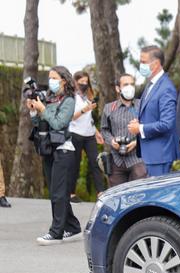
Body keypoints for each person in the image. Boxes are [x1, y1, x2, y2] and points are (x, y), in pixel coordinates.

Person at [27, 66, 81, 245]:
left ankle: (56, 232)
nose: (51, 81)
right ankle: (72, 227)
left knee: (58, 193)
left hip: (64, 150)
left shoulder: (69, 100)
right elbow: (39, 123)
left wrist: (43, 110)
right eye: (50, 77)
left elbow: (58, 123)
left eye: (54, 77)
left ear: (64, 80)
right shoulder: (49, 98)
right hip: (49, 149)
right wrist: (34, 110)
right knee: (58, 193)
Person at [127, 45, 179, 177]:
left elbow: (167, 123)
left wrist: (141, 128)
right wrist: (139, 122)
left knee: (159, 196)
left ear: (155, 64)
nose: (140, 65)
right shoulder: (151, 84)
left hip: (160, 154)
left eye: (143, 62)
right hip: (151, 153)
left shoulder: (166, 88)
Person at [101, 74, 147, 187]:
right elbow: (104, 130)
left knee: (139, 193)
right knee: (117, 196)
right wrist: (112, 141)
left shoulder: (142, 105)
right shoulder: (109, 108)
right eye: (126, 84)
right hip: (116, 160)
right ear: (118, 88)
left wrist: (136, 143)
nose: (129, 87)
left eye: (132, 84)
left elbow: (149, 128)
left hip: (138, 159)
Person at [68, 71, 106, 202]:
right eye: (81, 82)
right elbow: (70, 117)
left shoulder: (88, 96)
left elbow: (88, 118)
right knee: (74, 164)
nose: (84, 84)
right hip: (76, 133)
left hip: (89, 134)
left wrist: (96, 132)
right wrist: (85, 109)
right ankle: (71, 193)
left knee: (95, 162)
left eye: (86, 82)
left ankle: (101, 192)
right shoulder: (71, 97)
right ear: (75, 82)